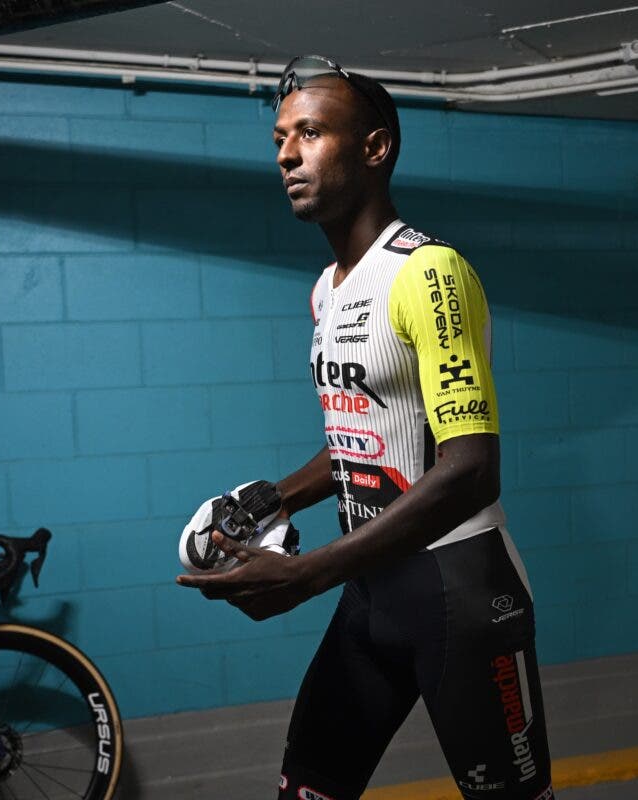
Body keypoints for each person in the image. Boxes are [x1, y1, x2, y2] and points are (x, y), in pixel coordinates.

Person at [177, 55, 554, 800]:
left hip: (458, 589)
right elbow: (368, 432)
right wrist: (274, 501)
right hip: (371, 586)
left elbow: (471, 468)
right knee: (307, 789)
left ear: (375, 148)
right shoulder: (328, 290)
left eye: (311, 132)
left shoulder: (430, 271)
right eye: (281, 137)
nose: (287, 152)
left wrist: (310, 573)